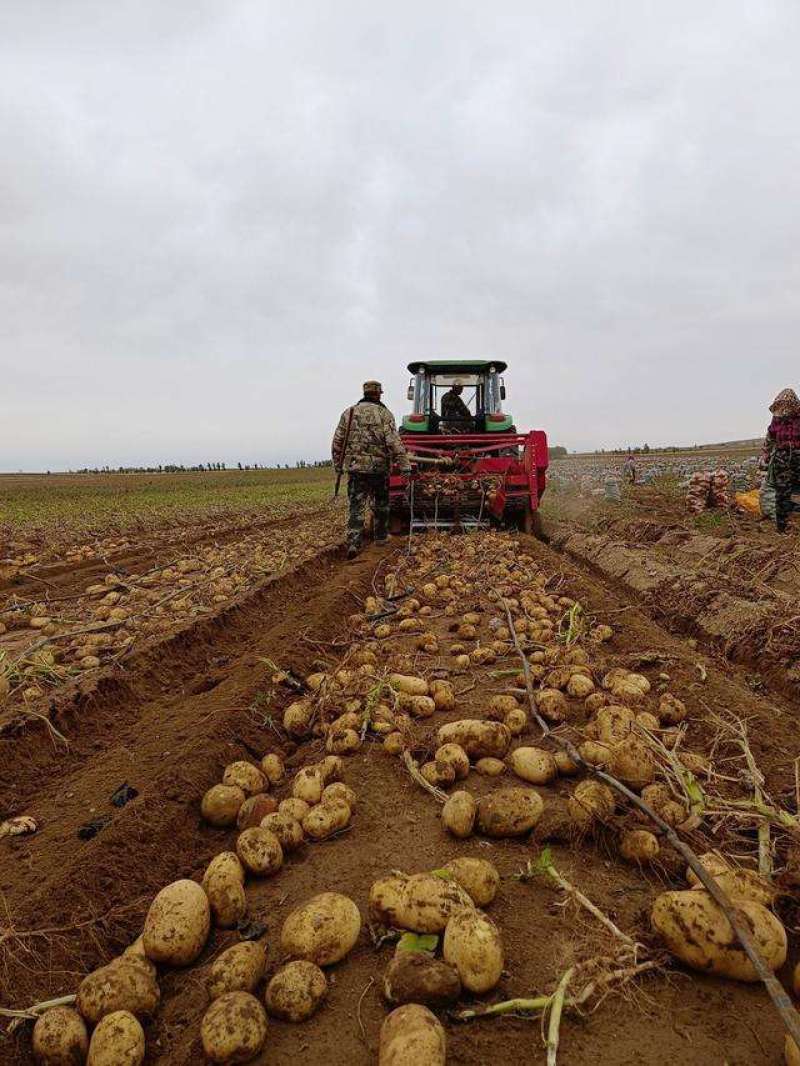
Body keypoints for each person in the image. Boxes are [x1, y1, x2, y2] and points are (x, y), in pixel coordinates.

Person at [332, 380, 412, 558]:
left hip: (355, 468)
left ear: (364, 393)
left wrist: (338, 465)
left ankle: (354, 542)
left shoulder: (349, 413)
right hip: (378, 470)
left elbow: (337, 442)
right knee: (381, 504)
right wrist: (405, 465)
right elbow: (393, 442)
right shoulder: (384, 414)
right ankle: (381, 538)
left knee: (356, 505)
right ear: (378, 394)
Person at [762, 387, 800, 534]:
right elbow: (770, 437)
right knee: (782, 492)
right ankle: (782, 527)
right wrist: (765, 453)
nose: (783, 410)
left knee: (797, 490)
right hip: (782, 458)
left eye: (786, 406)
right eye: (781, 406)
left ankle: (796, 518)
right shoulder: (777, 420)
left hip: (798, 456)